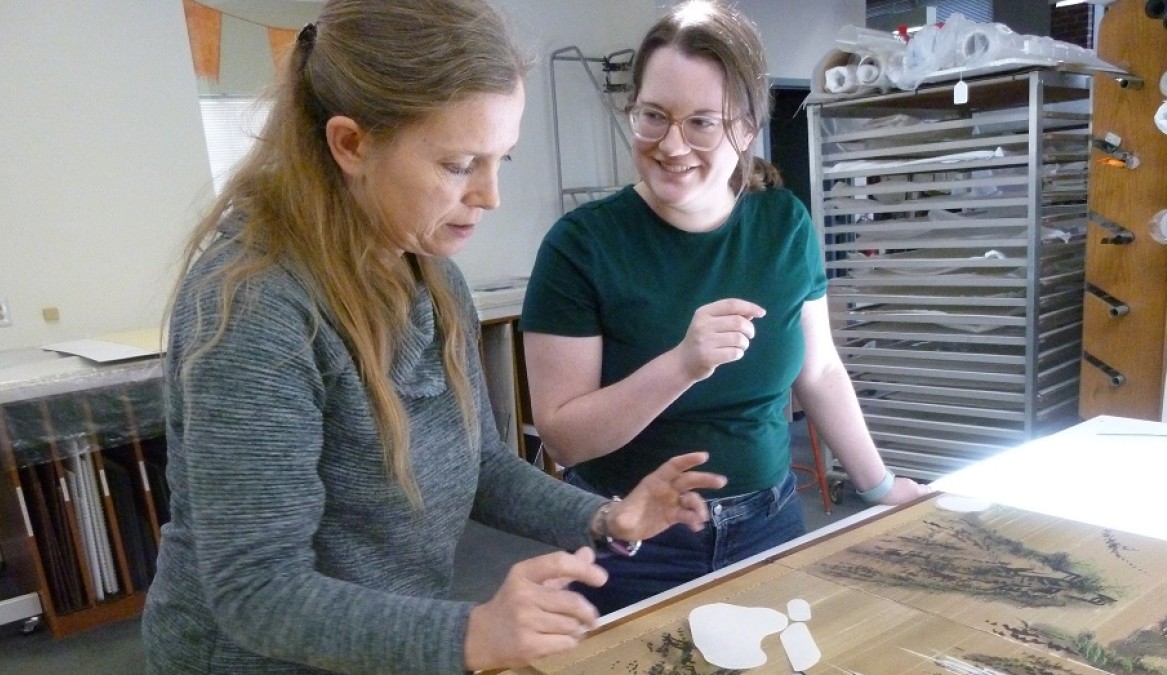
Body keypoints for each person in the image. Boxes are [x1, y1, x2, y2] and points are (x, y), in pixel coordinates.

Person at [141, 1, 726, 673]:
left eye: (502, 158)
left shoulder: (431, 275)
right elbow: (256, 589)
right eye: (459, 164)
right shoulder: (256, 305)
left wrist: (605, 517)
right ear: (351, 144)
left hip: (381, 646)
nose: (491, 195)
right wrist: (470, 635)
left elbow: (478, 462)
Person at [520, 0, 929, 615]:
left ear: (744, 126)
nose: (671, 144)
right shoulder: (581, 246)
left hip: (770, 525)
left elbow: (817, 372)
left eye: (701, 122)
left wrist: (878, 485)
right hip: (631, 541)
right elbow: (564, 437)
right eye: (652, 116)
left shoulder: (783, 224)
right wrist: (680, 365)